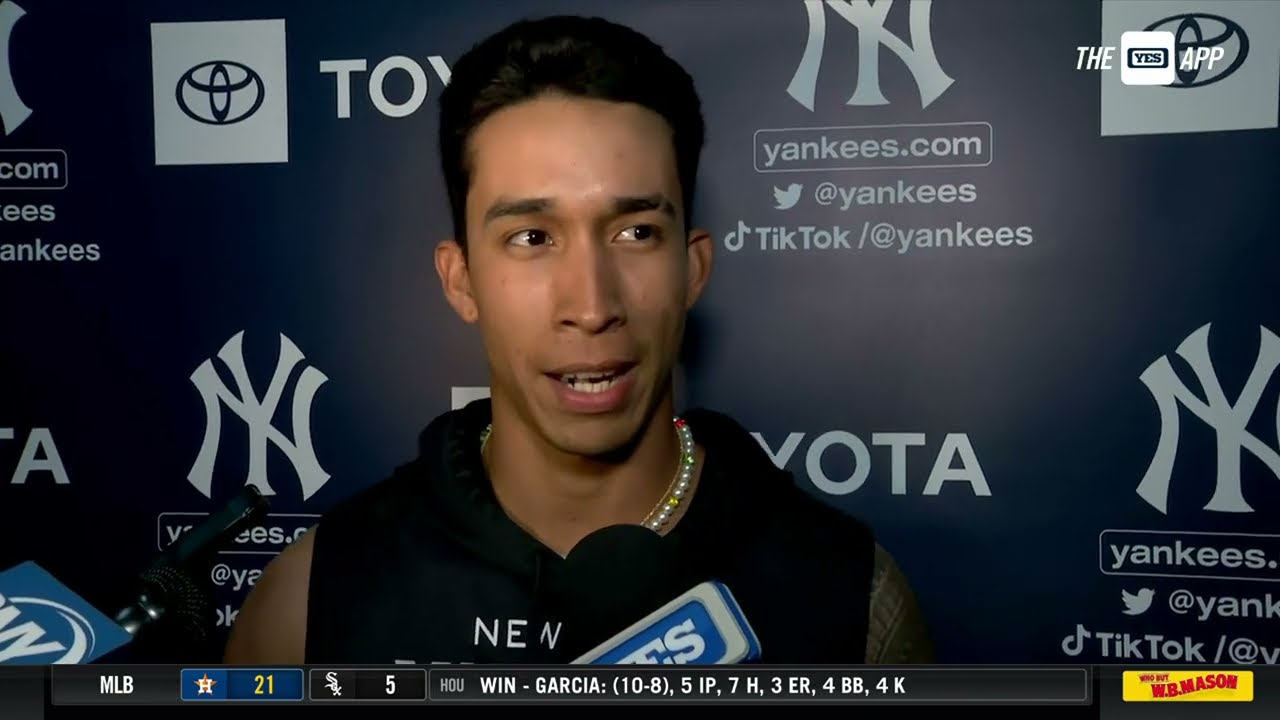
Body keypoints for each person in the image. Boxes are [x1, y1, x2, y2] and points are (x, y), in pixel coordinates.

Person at [225, 14, 933, 665]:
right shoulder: (313, 597)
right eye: (531, 237)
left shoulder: (851, 597)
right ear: (461, 278)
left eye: (635, 233)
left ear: (692, 270)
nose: (591, 306)